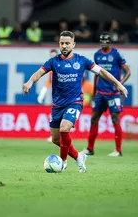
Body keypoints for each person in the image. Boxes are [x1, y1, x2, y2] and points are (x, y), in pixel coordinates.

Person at [22, 31, 128, 173]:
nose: (64, 46)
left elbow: (102, 72)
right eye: (62, 43)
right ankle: (79, 157)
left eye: (67, 43)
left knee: (64, 129)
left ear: (73, 44)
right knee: (55, 139)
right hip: (57, 105)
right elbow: (39, 73)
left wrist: (119, 84)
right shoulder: (53, 62)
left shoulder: (82, 60)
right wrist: (29, 82)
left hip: (75, 102)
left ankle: (63, 161)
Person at [81, 33, 131, 157]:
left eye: (106, 41)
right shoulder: (97, 55)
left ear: (110, 42)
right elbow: (96, 74)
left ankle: (118, 150)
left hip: (113, 94)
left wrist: (120, 84)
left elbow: (127, 72)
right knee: (94, 118)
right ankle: (89, 148)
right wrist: (93, 92)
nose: (103, 43)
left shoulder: (116, 54)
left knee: (115, 119)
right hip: (100, 93)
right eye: (101, 41)